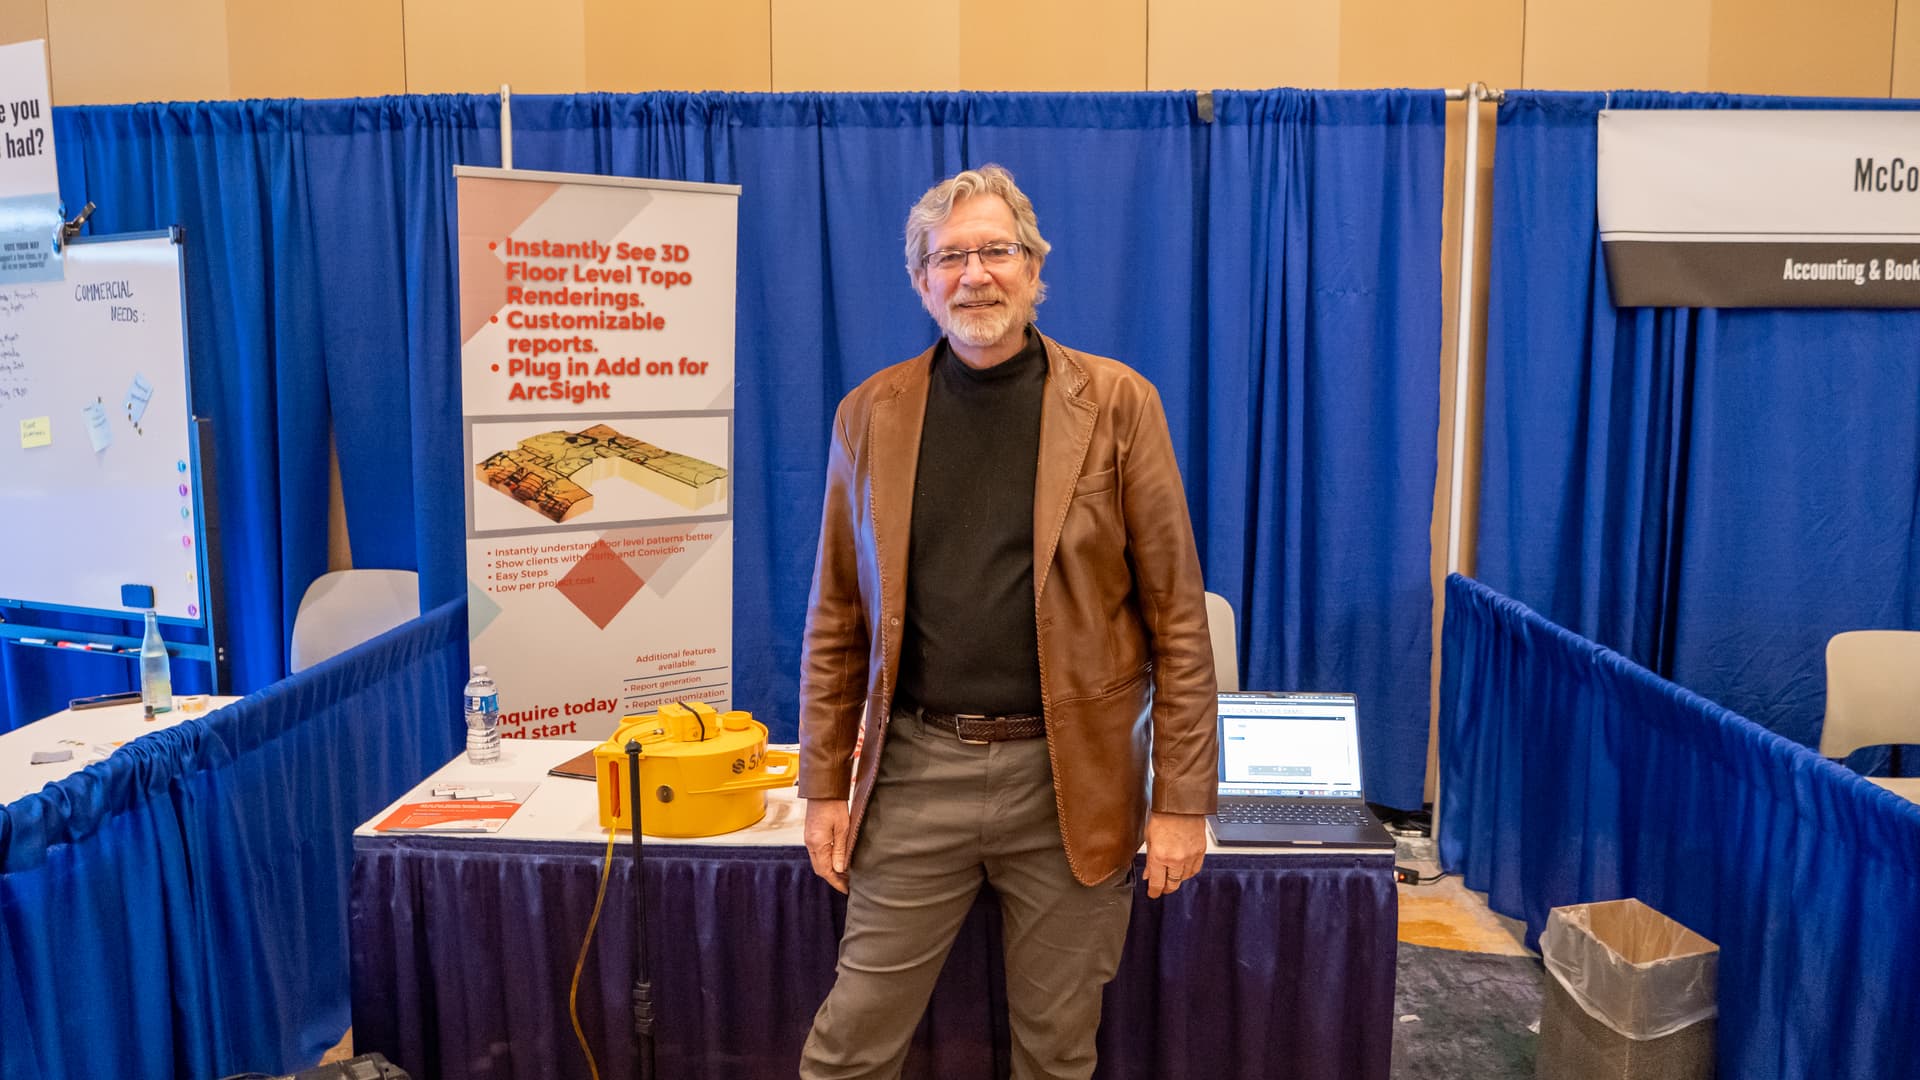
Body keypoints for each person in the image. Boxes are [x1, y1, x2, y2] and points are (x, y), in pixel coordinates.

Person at [795, 163, 1219, 1080]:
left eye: (995, 251)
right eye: (950, 257)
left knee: (1055, 1055)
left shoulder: (1118, 404)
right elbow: (837, 618)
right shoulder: (869, 414)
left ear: (1034, 266)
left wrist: (1181, 801)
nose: (974, 275)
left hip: (1073, 780)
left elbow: (1178, 620)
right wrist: (823, 785)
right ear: (921, 282)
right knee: (847, 1050)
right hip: (914, 772)